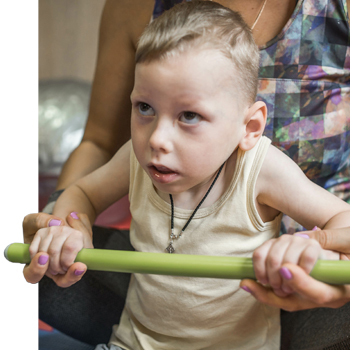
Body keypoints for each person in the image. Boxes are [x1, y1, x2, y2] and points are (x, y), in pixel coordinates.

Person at [24, 0, 350, 348]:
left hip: (281, 307)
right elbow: (84, 191)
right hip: (132, 342)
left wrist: (309, 249)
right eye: (145, 108)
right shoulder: (136, 158)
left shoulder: (262, 168)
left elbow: (341, 218)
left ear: (251, 126)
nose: (157, 140)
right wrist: (64, 229)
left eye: (189, 116)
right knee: (35, 261)